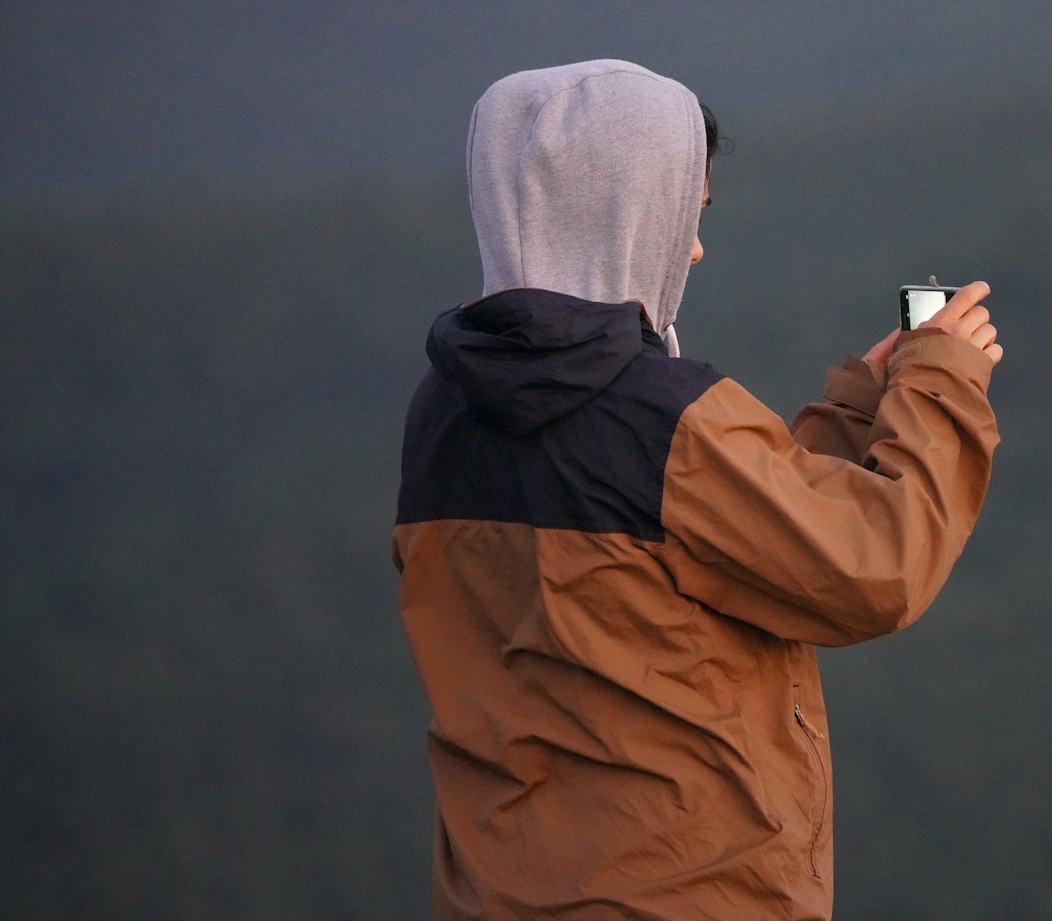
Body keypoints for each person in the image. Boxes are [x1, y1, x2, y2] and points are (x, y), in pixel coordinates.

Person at [393, 59, 1001, 920]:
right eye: (689, 211)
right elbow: (877, 567)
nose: (694, 245)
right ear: (625, 210)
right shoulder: (667, 419)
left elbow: (690, 551)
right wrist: (942, 381)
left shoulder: (442, 413)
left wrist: (853, 409)